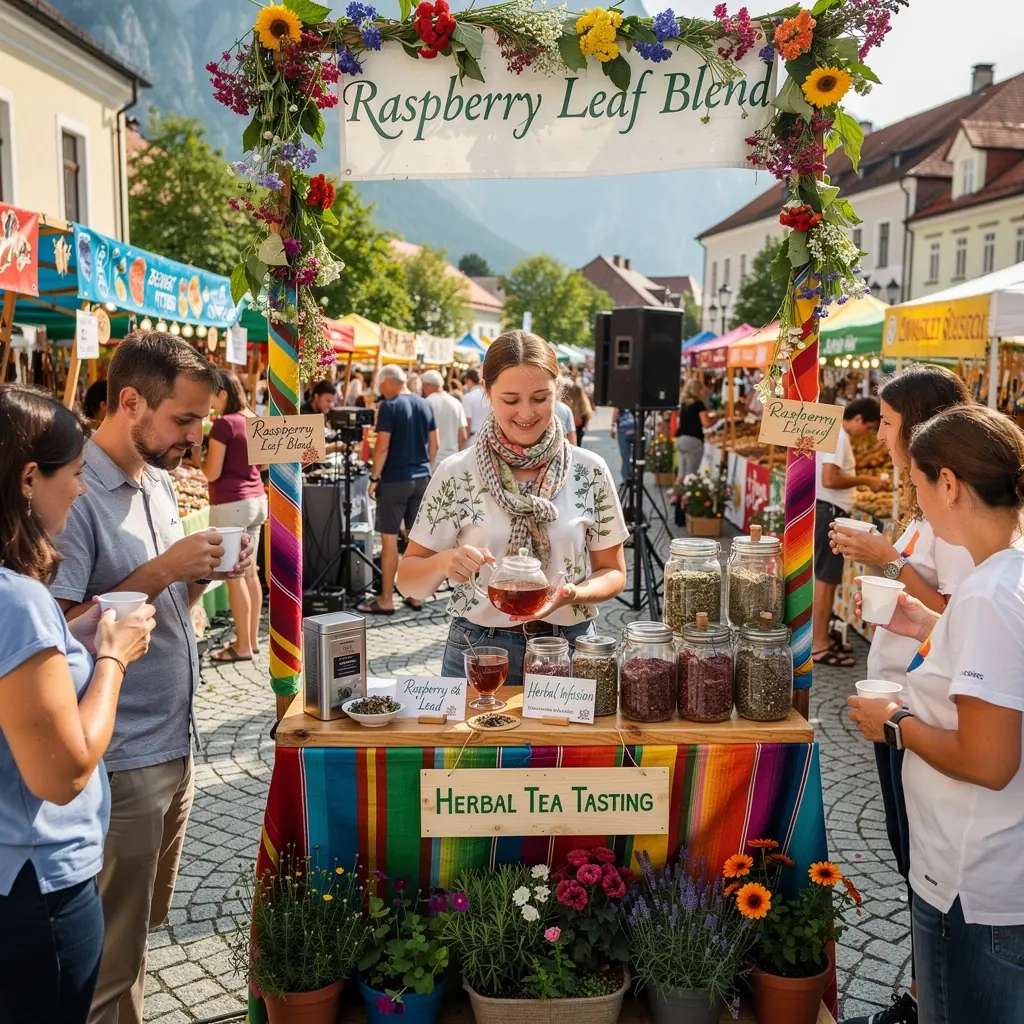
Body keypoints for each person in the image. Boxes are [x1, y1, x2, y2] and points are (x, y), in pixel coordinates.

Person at [48, 331, 252, 1024]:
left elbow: (159, 608)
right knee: (109, 957)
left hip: (173, 742)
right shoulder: (74, 493)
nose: (196, 437)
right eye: (184, 419)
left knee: (139, 929)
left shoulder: (158, 477)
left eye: (202, 420)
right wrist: (166, 568)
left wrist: (200, 578)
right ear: (130, 401)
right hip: (119, 757)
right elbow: (55, 629)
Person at [848, 404, 1024, 1024]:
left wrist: (895, 724)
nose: (917, 501)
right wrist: (929, 625)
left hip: (970, 882)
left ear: (949, 484)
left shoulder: (987, 594)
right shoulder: (1006, 575)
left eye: (920, 485)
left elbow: (990, 761)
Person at [0, 385, 155, 1024]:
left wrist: (71, 639)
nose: (82, 488)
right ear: (28, 479)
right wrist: (113, 659)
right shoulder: (18, 600)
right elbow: (62, 772)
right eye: (73, 473)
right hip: (36, 883)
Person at [831, 366, 973, 1024]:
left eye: (887, 422)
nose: (880, 433)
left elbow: (957, 610)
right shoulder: (925, 503)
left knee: (920, 856)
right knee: (905, 849)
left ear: (916, 424)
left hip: (920, 700)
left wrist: (886, 559)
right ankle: (924, 992)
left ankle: (927, 998)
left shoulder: (955, 514)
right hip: (898, 687)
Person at [396, 330, 629, 688]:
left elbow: (612, 571)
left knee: (562, 732)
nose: (526, 413)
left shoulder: (590, 470)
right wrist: (445, 562)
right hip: (479, 648)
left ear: (558, 392)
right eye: (510, 400)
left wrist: (574, 593)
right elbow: (408, 581)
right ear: (486, 393)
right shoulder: (457, 472)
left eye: (540, 398)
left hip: (568, 647)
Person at [193, 370, 268, 664]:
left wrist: (198, 458)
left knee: (235, 576)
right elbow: (262, 465)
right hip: (256, 500)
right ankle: (252, 640)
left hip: (231, 502)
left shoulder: (224, 424)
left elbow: (212, 472)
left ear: (223, 393)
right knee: (250, 573)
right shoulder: (253, 418)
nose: (210, 404)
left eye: (213, 397)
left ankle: (243, 645)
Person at [812, 396, 886, 668]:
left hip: (827, 510)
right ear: (857, 419)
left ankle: (819, 638)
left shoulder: (835, 434)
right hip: (830, 510)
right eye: (868, 427)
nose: (868, 433)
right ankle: (819, 645)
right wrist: (867, 480)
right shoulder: (839, 438)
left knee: (825, 577)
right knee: (826, 579)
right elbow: (829, 479)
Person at [359, 364, 437, 615]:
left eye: (381, 386)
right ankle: (416, 595)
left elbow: (382, 446)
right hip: (421, 477)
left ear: (388, 382)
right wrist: (425, 467)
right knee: (417, 540)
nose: (381, 391)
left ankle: (386, 599)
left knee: (389, 539)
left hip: (394, 479)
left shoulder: (389, 407)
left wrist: (374, 477)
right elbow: (435, 444)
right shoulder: (425, 404)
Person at [422, 368, 468, 469]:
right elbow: (463, 437)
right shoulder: (456, 403)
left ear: (427, 386)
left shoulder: (426, 403)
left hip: (431, 461)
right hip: (452, 461)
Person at [675, 379, 713, 482]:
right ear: (698, 391)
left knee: (681, 474)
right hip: (693, 439)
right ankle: (689, 492)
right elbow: (706, 423)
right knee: (691, 474)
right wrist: (714, 419)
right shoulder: (698, 404)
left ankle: (676, 491)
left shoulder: (684, 403)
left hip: (680, 439)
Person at [564, 375, 593, 446]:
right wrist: (586, 426)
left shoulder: (567, 406)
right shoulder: (583, 404)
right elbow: (588, 415)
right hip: (579, 429)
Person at [610, 408, 636, 483]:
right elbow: (616, 410)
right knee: (626, 456)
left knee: (626, 455)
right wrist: (613, 426)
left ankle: (627, 478)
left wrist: (613, 427)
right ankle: (628, 477)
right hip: (627, 430)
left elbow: (616, 410)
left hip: (626, 430)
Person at [461, 367, 487, 441]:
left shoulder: (467, 397)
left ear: (469, 381)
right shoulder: (488, 395)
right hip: (487, 437)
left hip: (473, 439)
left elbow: (467, 421)